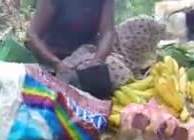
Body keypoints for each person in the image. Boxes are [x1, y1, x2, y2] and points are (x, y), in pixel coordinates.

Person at [26, 0, 165, 90]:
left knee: (145, 24)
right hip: (54, 57)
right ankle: (70, 80)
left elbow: (107, 33)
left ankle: (79, 79)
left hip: (87, 54)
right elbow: (32, 34)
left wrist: (97, 61)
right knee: (112, 73)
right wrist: (56, 63)